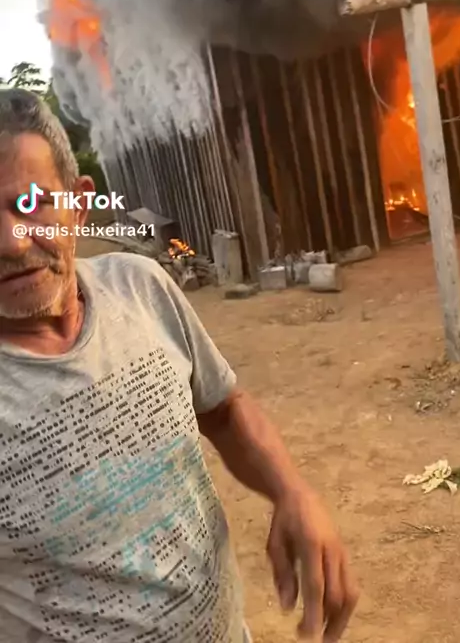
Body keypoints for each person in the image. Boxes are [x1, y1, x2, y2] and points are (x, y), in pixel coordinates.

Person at [0, 89, 359, 643]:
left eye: (30, 204)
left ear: (79, 203)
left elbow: (223, 407)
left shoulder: (140, 286)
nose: (12, 241)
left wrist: (290, 489)